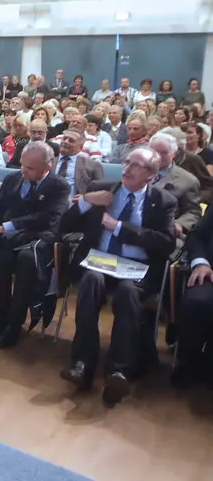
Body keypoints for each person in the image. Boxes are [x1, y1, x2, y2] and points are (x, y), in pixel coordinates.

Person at [59, 148, 177, 406]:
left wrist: (120, 228)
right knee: (91, 281)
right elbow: (64, 225)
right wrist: (87, 200)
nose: (127, 168)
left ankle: (118, 370)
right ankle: (82, 364)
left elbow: (167, 242)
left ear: (150, 175)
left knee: (127, 292)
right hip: (100, 261)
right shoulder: (102, 189)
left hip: (135, 267)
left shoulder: (162, 201)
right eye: (127, 162)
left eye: (136, 165)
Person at [0, 141, 70, 348]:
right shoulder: (12, 179)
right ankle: (1, 316)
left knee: (27, 262)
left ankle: (14, 323)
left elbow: (49, 218)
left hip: (39, 238)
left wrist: (7, 227)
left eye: (30, 168)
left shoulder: (60, 186)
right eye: (22, 165)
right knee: (0, 258)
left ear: (48, 167)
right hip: (11, 237)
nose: (23, 171)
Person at [173, 206, 213, 388]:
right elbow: (196, 234)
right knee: (196, 302)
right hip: (208, 272)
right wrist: (200, 263)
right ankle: (188, 363)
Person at [55, 129, 103, 199]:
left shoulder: (93, 166)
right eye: (64, 138)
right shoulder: (48, 161)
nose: (65, 142)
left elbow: (100, 192)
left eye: (71, 140)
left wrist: (86, 197)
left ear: (80, 147)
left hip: (75, 204)